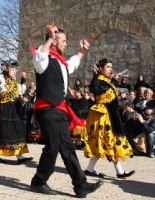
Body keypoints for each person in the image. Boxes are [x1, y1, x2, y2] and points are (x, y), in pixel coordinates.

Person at [30, 23, 102, 198]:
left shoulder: (60, 62)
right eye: (63, 40)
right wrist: (50, 38)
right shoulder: (44, 58)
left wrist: (81, 51)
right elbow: (38, 58)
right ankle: (38, 181)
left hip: (60, 110)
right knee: (53, 146)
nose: (66, 44)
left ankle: (81, 185)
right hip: (47, 109)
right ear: (54, 41)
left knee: (67, 147)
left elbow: (71, 64)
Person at [83, 58, 135, 179]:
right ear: (100, 69)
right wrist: (96, 74)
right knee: (107, 141)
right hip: (103, 116)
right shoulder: (99, 80)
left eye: (111, 67)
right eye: (108, 67)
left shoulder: (107, 80)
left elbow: (114, 95)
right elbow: (94, 89)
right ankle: (119, 172)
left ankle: (91, 169)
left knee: (106, 142)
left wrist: (115, 81)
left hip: (111, 114)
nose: (110, 69)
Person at [0, 61, 33, 164]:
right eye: (12, 69)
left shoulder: (15, 82)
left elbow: (19, 95)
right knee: (2, 131)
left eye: (15, 70)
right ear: (6, 69)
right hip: (4, 107)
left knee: (16, 131)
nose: (15, 72)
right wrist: (16, 96)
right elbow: (1, 93)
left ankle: (20, 156)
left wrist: (25, 85)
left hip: (13, 108)